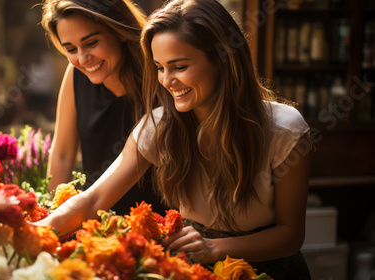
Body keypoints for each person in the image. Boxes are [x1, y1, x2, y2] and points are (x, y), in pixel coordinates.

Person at [36, 0, 312, 278]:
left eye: (179, 66)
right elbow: (93, 200)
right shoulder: (159, 126)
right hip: (193, 266)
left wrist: (215, 247)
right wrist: (38, 229)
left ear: (221, 57)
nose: (167, 81)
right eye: (159, 67)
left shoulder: (284, 129)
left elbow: (291, 235)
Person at [40, 0, 168, 215]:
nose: (82, 58)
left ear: (118, 30)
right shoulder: (75, 74)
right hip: (95, 221)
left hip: (158, 224)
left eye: (91, 43)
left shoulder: (160, 75)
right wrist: (50, 215)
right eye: (70, 48)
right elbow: (62, 154)